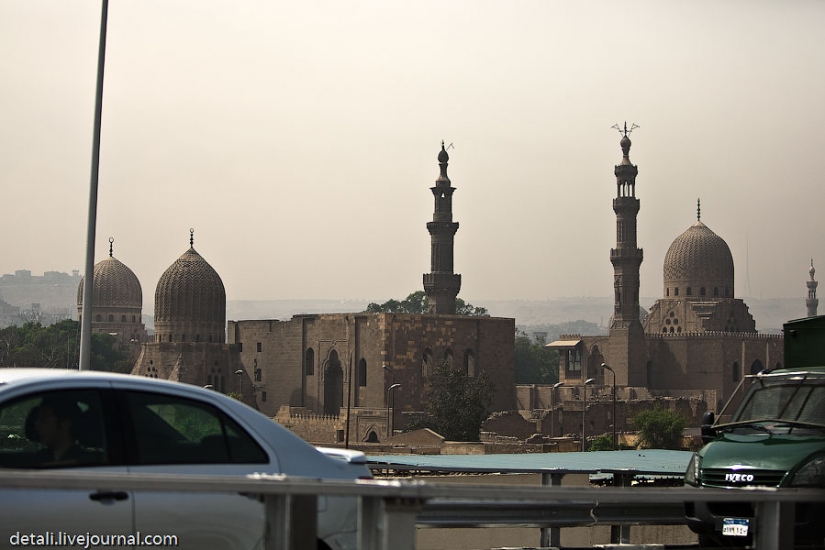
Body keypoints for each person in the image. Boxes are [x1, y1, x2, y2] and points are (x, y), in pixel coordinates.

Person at [33, 395, 88, 465]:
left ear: (65, 424)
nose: (37, 427)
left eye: (45, 420)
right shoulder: (41, 457)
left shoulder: (85, 461)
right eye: (37, 420)